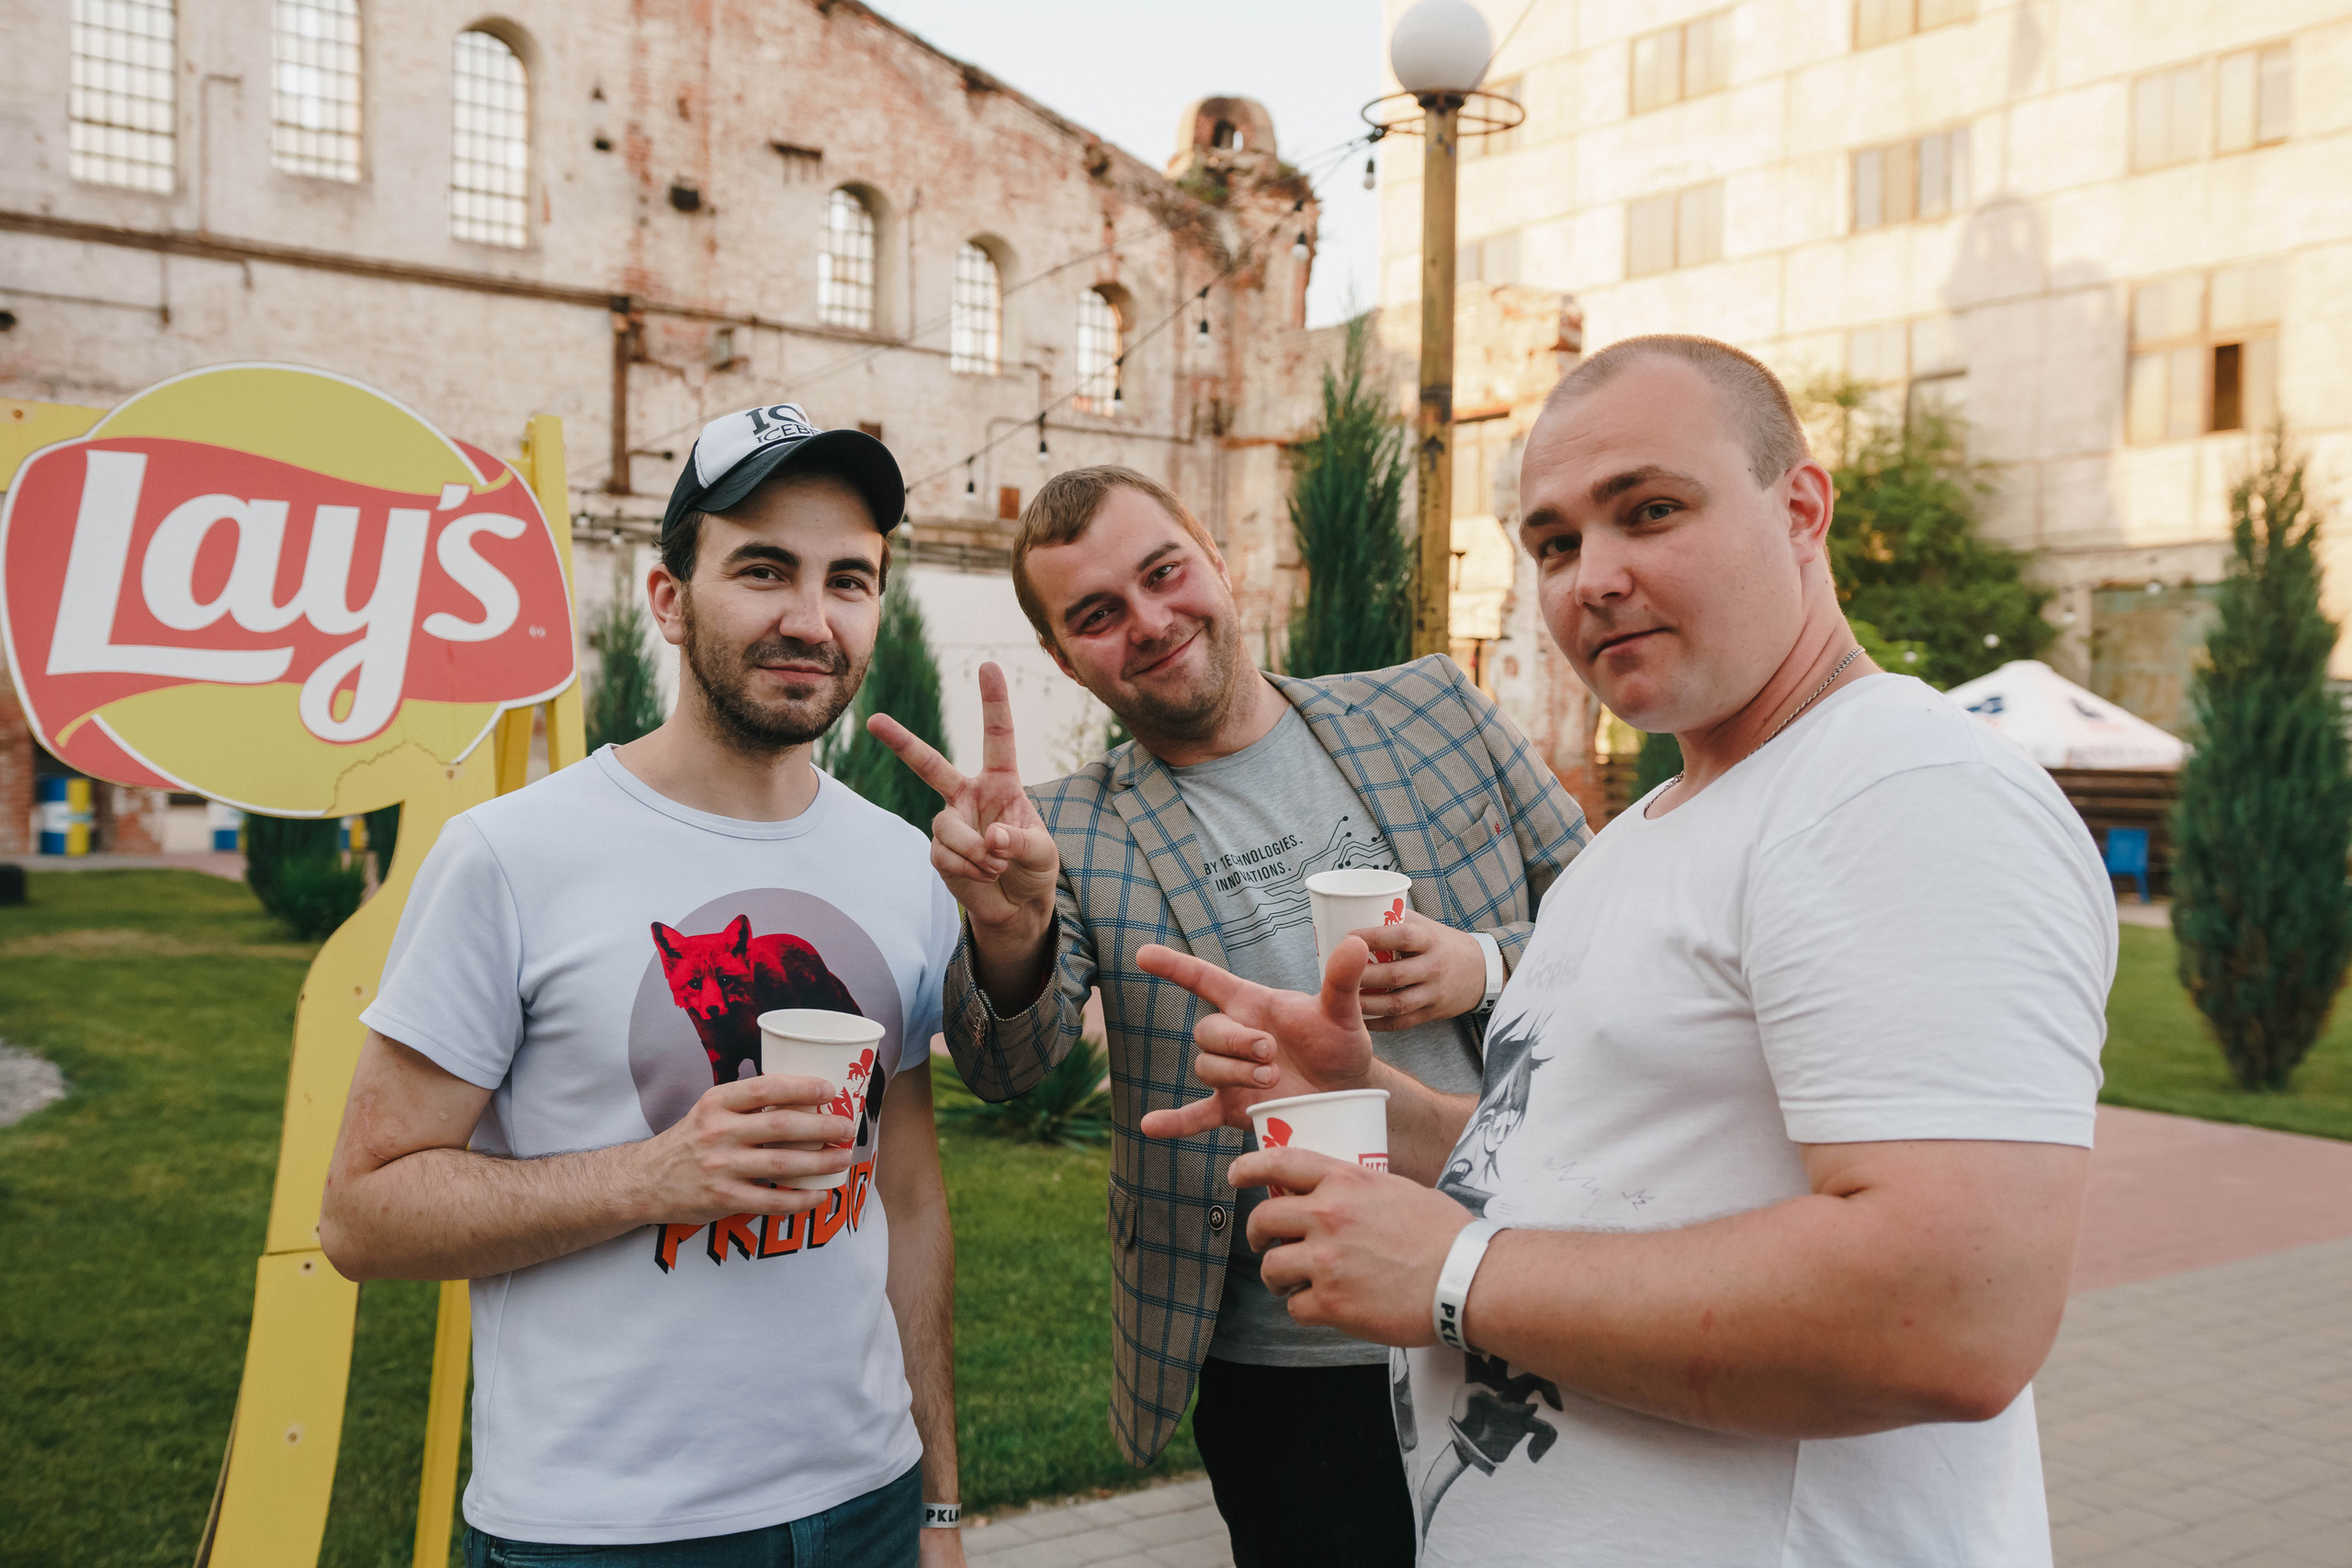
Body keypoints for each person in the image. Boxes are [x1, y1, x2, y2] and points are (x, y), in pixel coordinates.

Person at [1136, 336, 2115, 1565]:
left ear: (1801, 508)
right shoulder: (1642, 835)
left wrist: (1456, 1274)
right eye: (1552, 543)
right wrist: (1367, 1098)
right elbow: (1578, 1163)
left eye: (1649, 511)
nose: (1592, 576)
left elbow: (1956, 1308)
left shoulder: (1899, 788)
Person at [866, 466, 1587, 1567]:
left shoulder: (1432, 706)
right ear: (1063, 660)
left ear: (1219, 560)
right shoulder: (1064, 829)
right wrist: (1010, 929)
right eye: (1097, 616)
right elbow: (1013, 1067)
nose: (1150, 624)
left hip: (1523, 1291)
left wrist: (1481, 964)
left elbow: (1614, 935)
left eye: (1164, 574)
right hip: (1288, 1371)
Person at [320, 404, 967, 1566]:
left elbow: (908, 1203)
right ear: (669, 600)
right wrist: (654, 1175)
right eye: (762, 569)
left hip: (869, 1500)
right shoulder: (512, 856)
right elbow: (363, 1215)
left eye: (849, 580)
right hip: (602, 1531)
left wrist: (938, 1502)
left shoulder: (901, 864)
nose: (809, 619)